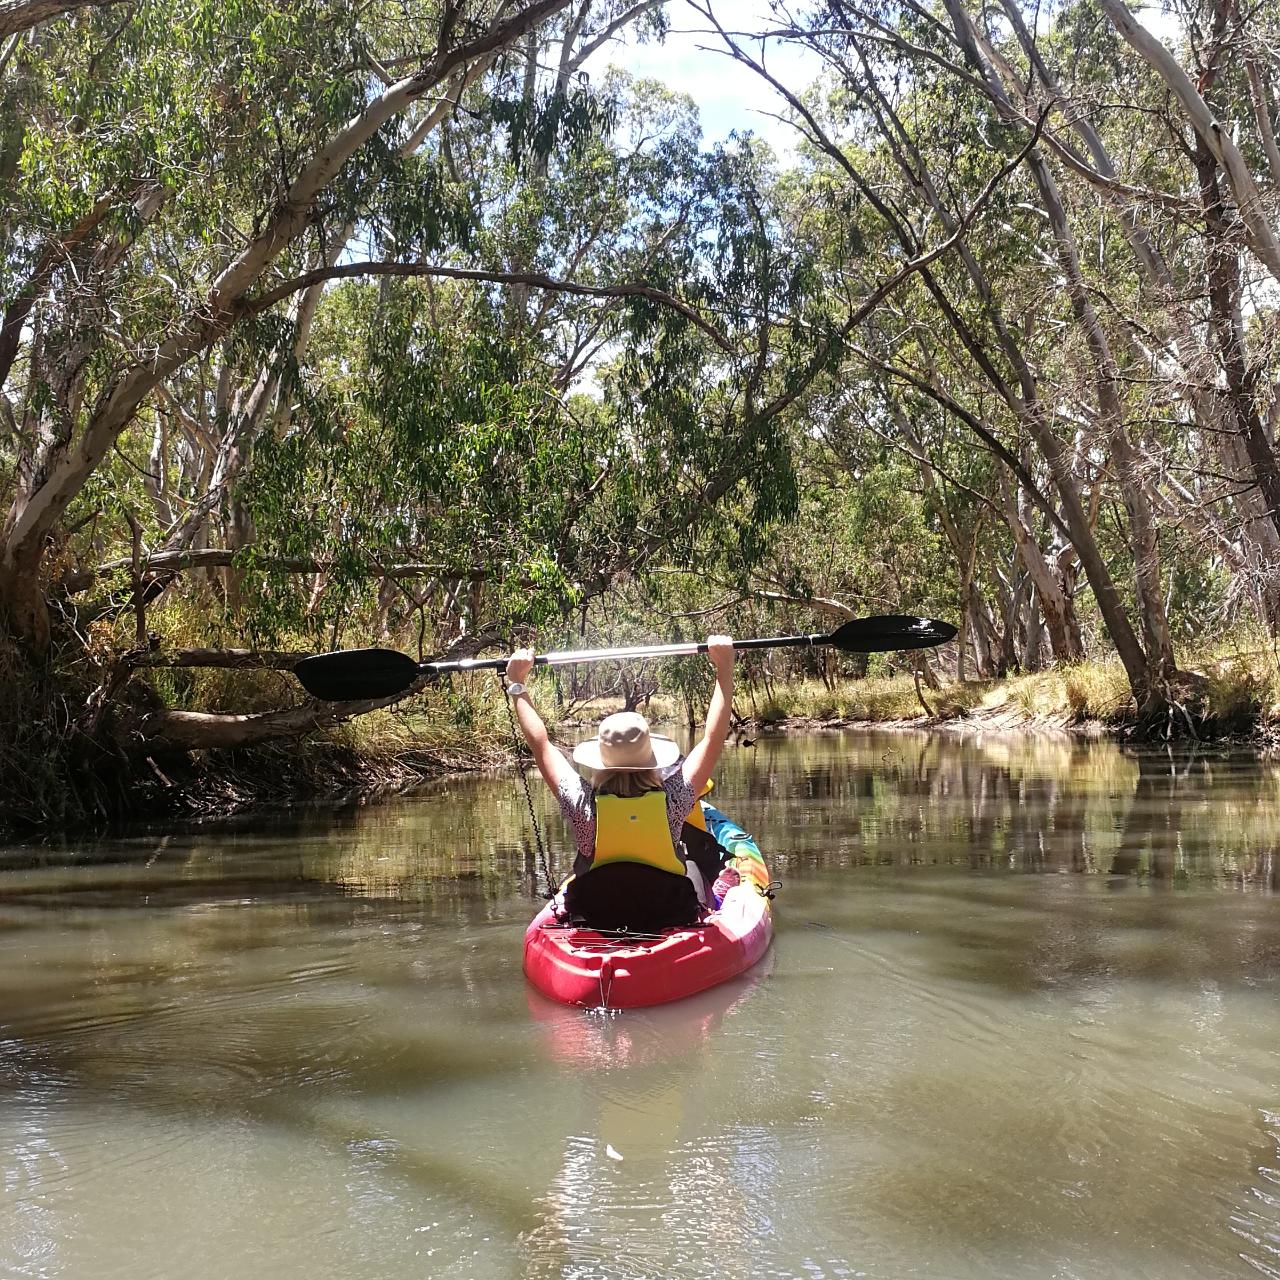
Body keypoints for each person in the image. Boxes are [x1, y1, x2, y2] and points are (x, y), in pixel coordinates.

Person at [503, 636, 736, 932]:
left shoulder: (581, 802)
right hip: (668, 912)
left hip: (597, 915)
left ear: (600, 761)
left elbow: (541, 745)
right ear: (651, 757)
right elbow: (713, 739)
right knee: (691, 868)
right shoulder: (674, 798)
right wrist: (724, 669)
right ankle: (716, 897)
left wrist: (517, 684)